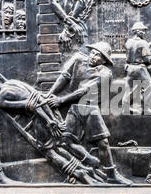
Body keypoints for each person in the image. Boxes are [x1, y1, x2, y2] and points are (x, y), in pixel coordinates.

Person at [0, 79, 104, 185]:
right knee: (58, 146)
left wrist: (49, 122)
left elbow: (32, 105)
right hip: (50, 110)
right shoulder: (11, 82)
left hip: (41, 120)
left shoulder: (1, 99)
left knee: (49, 152)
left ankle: (78, 173)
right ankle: (84, 167)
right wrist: (53, 118)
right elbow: (38, 97)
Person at [47, 41, 132, 185]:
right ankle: (89, 162)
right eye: (92, 52)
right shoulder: (79, 59)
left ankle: (111, 174)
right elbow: (64, 77)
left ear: (104, 60)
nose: (93, 56)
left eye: (98, 55)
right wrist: (49, 94)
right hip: (74, 108)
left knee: (103, 142)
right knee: (65, 142)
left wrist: (61, 101)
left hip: (89, 108)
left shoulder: (105, 73)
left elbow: (83, 91)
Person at [122, 22, 151, 115]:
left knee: (129, 88)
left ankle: (125, 108)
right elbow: (147, 59)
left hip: (129, 68)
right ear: (137, 31)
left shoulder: (128, 42)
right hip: (140, 68)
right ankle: (146, 108)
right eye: (142, 31)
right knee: (149, 86)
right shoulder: (143, 43)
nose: (144, 33)